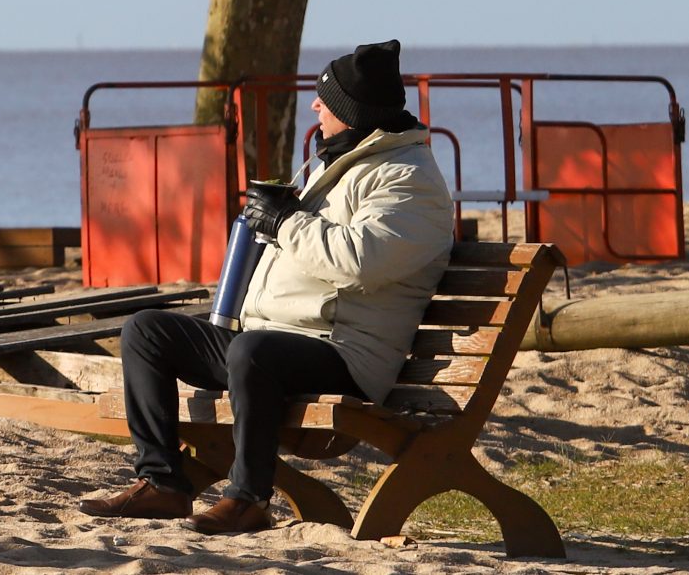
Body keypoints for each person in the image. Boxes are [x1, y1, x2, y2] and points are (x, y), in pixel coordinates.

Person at [78, 39, 454, 535]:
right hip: (274, 342)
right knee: (147, 331)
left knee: (253, 352)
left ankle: (249, 498)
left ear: (353, 113)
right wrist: (277, 220)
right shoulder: (342, 162)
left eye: (326, 100)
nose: (315, 106)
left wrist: (285, 221)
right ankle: (163, 483)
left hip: (344, 353)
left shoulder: (409, 180)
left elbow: (360, 262)